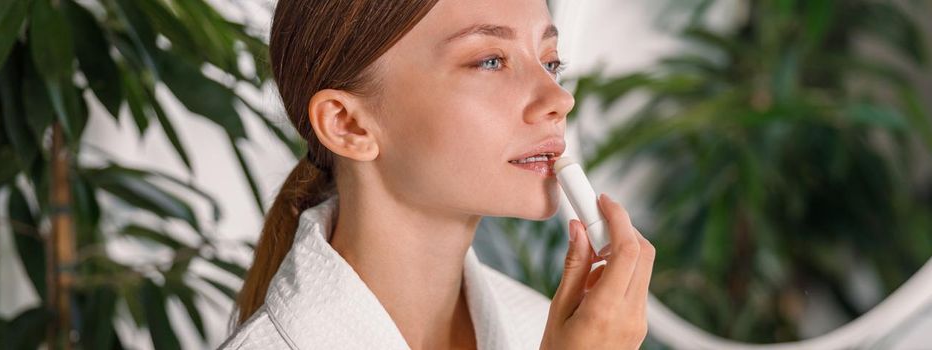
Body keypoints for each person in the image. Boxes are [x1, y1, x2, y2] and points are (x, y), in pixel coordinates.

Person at [219, 0, 655, 348]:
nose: (558, 98)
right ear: (347, 124)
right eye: (489, 61)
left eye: (550, 62)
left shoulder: (538, 327)